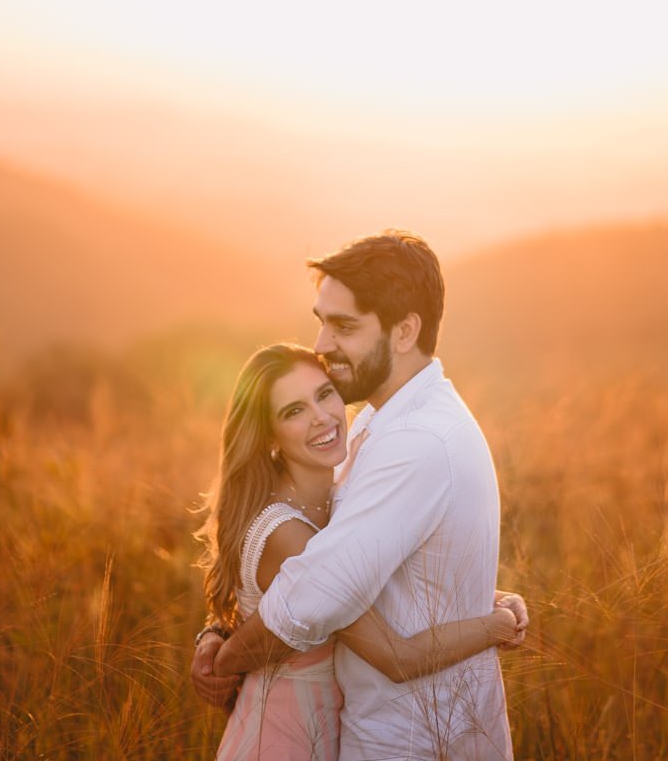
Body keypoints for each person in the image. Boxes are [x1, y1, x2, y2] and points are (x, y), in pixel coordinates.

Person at [194, 230, 528, 760]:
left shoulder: (414, 441)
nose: (323, 345)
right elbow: (387, 575)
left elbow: (317, 591)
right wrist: (214, 634)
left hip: (411, 739)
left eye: (343, 326)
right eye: (321, 321)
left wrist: (223, 660)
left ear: (404, 332)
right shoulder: (376, 421)